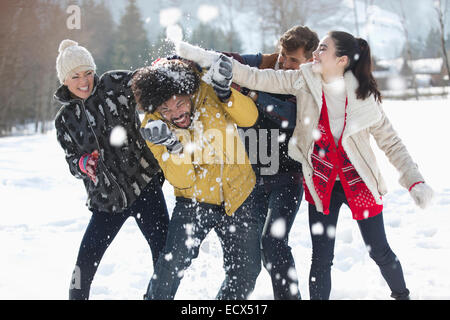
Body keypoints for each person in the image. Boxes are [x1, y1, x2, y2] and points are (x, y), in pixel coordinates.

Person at [175, 31, 434, 300]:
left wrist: (414, 180)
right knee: (321, 259)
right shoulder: (304, 79)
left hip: (359, 184)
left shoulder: (363, 99)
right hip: (322, 185)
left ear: (342, 60)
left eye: (323, 49)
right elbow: (257, 76)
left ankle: (402, 295)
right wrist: (203, 57)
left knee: (378, 250)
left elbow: (392, 143)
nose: (315, 54)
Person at [131, 57, 264, 300]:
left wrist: (226, 94)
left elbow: (250, 118)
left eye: (180, 104)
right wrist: (173, 146)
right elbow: (183, 180)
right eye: (166, 110)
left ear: (189, 93)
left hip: (239, 195)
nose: (176, 114)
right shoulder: (154, 126)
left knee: (246, 271)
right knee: (169, 270)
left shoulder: (210, 91)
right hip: (194, 202)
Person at [54, 39, 170, 300]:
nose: (84, 81)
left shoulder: (113, 84)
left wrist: (164, 66)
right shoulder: (64, 121)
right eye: (75, 76)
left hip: (143, 186)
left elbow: (147, 81)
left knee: (165, 255)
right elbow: (72, 162)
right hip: (106, 200)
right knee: (84, 265)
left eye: (88, 73)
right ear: (64, 80)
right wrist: (84, 164)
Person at [223, 25, 319, 299]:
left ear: (309, 61)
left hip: (287, 177)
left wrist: (251, 92)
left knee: (274, 244)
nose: (285, 64)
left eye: (294, 60)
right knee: (245, 253)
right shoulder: (263, 63)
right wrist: (188, 59)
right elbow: (228, 59)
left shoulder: (308, 83)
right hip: (252, 178)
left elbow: (288, 114)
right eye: (283, 56)